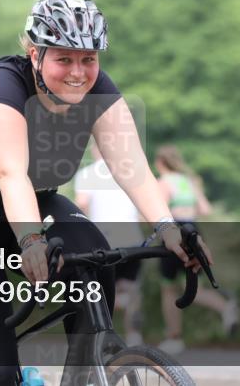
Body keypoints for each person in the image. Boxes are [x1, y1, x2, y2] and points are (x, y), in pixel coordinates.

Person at [0, 0, 214, 385]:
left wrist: (168, 228)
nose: (78, 72)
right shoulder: (3, 85)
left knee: (96, 258)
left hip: (36, 201)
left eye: (88, 59)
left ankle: (84, 373)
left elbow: (134, 169)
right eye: (64, 59)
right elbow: (10, 174)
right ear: (35, 54)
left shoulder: (98, 91)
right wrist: (31, 238)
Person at [154, 144, 240, 355]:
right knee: (195, 285)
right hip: (194, 230)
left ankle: (174, 337)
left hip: (173, 231)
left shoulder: (164, 182)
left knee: (168, 287)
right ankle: (225, 307)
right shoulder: (189, 181)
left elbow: (158, 210)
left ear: (160, 163)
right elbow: (205, 209)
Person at [74, 142, 145, 346]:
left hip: (103, 241)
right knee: (131, 289)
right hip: (133, 239)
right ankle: (133, 335)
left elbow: (82, 204)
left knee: (103, 291)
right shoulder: (131, 173)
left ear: (96, 150)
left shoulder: (87, 174)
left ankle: (104, 336)